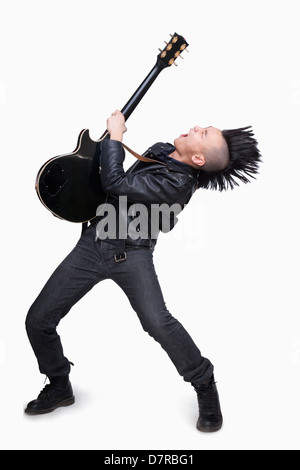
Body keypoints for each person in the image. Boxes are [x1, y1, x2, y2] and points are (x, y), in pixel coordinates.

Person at [25, 110, 261, 433]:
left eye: (203, 133)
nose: (196, 127)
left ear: (198, 159)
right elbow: (111, 188)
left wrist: (117, 138)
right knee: (38, 319)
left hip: (131, 255)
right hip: (94, 244)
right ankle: (58, 382)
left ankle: (204, 381)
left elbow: (116, 182)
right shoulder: (162, 149)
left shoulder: (177, 184)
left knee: (158, 322)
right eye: (203, 127)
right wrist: (101, 149)